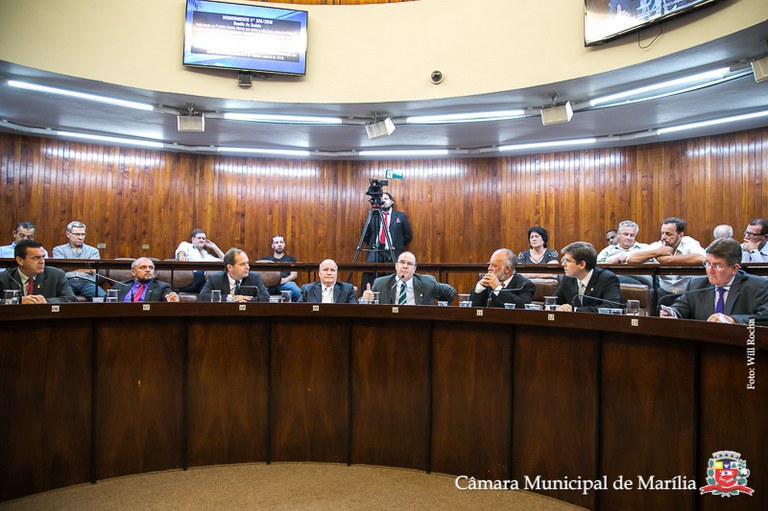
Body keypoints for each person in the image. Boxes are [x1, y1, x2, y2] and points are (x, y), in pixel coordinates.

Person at [661, 238, 768, 324]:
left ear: (735, 268)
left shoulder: (757, 286)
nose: (710, 270)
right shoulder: (696, 284)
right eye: (707, 263)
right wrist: (672, 313)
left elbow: (764, 317)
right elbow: (681, 308)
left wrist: (734, 320)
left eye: (717, 265)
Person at [627, 217, 706, 296]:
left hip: (688, 292)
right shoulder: (658, 246)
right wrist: (658, 252)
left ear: (681, 235)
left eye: (668, 234)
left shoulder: (689, 243)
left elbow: (701, 258)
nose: (663, 237)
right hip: (664, 291)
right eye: (662, 233)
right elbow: (631, 259)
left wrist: (668, 260)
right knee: (652, 293)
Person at [361, 251, 455, 305]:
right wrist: (364, 299)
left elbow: (451, 292)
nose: (405, 266)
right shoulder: (380, 283)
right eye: (402, 262)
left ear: (414, 268)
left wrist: (438, 311)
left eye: (409, 264)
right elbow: (365, 301)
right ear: (396, 266)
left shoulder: (428, 283)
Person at [361, 192, 412, 290]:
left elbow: (408, 235)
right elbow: (366, 235)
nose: (383, 201)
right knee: (368, 275)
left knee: (393, 279)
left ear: (392, 201)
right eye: (381, 199)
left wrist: (397, 244)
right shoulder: (372, 215)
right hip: (375, 252)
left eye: (386, 198)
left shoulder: (400, 216)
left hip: (393, 252)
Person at [0, 240, 76, 303]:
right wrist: (18, 301)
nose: (42, 261)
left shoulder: (56, 275)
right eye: (36, 258)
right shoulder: (4, 278)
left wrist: (47, 301)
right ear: (20, 260)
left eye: (43, 257)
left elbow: (71, 299)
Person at [555, 241, 621, 312]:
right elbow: (553, 301)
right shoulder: (568, 278)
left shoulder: (607, 279)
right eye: (563, 260)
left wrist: (576, 310)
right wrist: (559, 307)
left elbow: (611, 308)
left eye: (567, 261)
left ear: (582, 264)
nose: (563, 264)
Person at [52, 221, 106, 300]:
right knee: (59, 299)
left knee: (104, 298)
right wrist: (83, 269)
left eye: (83, 234)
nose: (80, 237)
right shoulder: (58, 250)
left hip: (87, 282)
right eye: (77, 234)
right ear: (68, 234)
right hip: (67, 282)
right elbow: (60, 269)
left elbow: (93, 269)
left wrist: (69, 268)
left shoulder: (93, 251)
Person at [199, 248, 269, 303]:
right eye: (242, 264)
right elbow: (203, 297)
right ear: (230, 267)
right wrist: (231, 298)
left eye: (247, 263)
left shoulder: (254, 278)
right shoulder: (215, 279)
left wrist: (246, 299)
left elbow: (265, 298)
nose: (247, 267)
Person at [597, 220, 650, 285]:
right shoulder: (608, 250)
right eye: (626, 234)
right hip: (612, 279)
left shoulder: (645, 248)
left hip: (639, 280)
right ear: (618, 234)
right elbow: (596, 267)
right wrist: (613, 261)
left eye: (632, 235)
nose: (629, 238)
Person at [174, 228, 225, 293]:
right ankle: (179, 290)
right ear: (193, 239)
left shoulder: (206, 254)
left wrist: (215, 247)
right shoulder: (187, 245)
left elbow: (225, 261)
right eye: (199, 238)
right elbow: (181, 251)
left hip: (202, 280)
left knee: (209, 281)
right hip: (189, 278)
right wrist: (182, 256)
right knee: (201, 273)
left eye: (203, 239)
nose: (201, 240)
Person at [114, 257, 180, 302]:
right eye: (143, 267)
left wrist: (172, 298)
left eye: (151, 268)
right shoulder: (120, 286)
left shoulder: (162, 287)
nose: (148, 270)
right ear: (133, 272)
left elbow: (168, 298)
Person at [260, 235, 302, 302]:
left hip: (285, 284)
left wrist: (284, 280)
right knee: (256, 293)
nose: (279, 244)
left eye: (281, 242)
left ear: (284, 245)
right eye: (276, 243)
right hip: (269, 285)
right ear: (272, 246)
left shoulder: (291, 258)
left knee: (298, 292)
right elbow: (260, 275)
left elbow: (294, 275)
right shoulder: (265, 259)